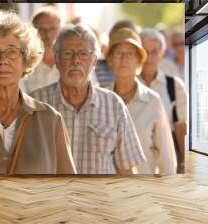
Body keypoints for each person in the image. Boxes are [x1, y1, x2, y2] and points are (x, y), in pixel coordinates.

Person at [0, 10, 76, 175]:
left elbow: (70, 187)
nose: (3, 60)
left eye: (12, 52)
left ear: (25, 61)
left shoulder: (50, 120)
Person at [31, 24, 146, 174]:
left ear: (94, 61)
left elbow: (127, 170)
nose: (76, 60)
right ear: (56, 60)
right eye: (67, 53)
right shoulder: (36, 104)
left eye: (83, 53)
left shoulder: (113, 105)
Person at [105, 28, 177, 175]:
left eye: (130, 53)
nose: (124, 59)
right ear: (110, 61)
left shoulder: (152, 101)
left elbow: (166, 156)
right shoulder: (101, 100)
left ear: (139, 61)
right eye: (118, 53)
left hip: (143, 189)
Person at [139, 28, 187, 173]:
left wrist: (183, 163)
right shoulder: (127, 85)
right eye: (144, 51)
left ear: (161, 55)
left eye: (154, 52)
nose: (148, 58)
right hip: (137, 163)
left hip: (166, 160)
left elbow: (181, 127)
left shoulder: (174, 85)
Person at [22, 6, 99, 94]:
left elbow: (93, 94)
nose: (48, 35)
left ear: (62, 30)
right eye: (42, 29)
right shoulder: (25, 65)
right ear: (33, 32)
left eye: (53, 29)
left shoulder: (78, 63)